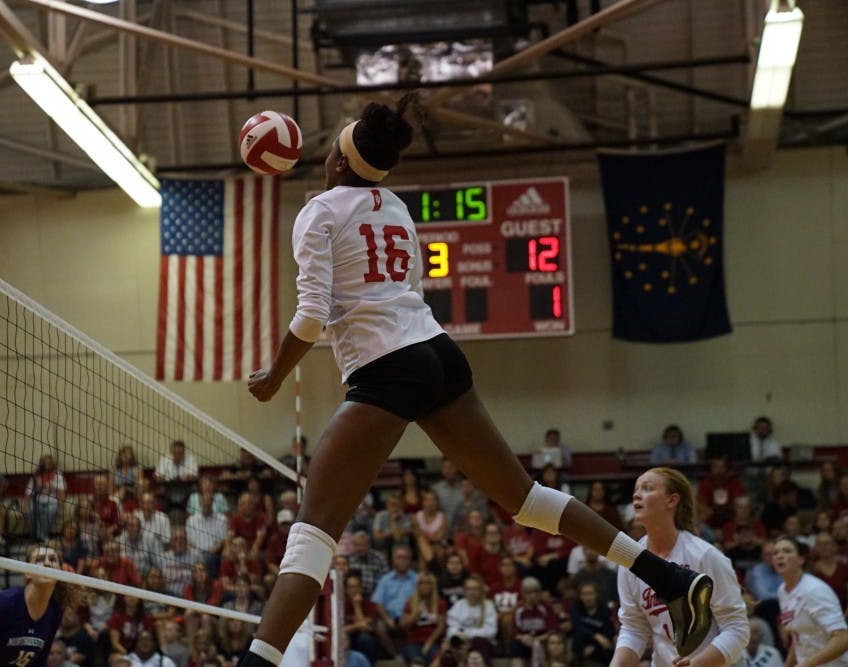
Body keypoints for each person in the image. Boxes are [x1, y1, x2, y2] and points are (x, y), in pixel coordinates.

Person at [239, 98, 714, 667]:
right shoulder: (393, 206)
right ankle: (666, 575)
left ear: (339, 163)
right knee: (527, 499)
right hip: (438, 353)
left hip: (387, 367)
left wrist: (273, 376)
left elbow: (312, 314)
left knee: (312, 532)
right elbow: (402, 290)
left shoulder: (318, 212)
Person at [611, 468, 748, 667]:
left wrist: (696, 664)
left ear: (672, 501)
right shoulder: (629, 560)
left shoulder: (704, 556)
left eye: (647, 488)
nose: (636, 494)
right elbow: (634, 628)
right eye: (636, 489)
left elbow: (737, 629)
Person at [0, 544, 80, 666]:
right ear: (27, 572)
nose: (47, 563)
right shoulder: (4, 602)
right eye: (39, 560)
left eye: (53, 559)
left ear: (60, 571)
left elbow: (39, 662)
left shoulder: (54, 612)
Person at [774, 535, 848, 667]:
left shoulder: (814, 590)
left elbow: (843, 638)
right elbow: (798, 637)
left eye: (787, 551)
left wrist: (807, 664)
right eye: (776, 552)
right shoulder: (782, 591)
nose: (780, 555)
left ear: (801, 559)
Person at [27, 454, 66, 542]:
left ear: (52, 464)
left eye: (49, 463)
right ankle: (36, 535)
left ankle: (42, 535)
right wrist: (25, 504)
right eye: (45, 463)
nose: (47, 464)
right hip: (37, 501)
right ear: (41, 464)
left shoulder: (58, 475)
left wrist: (63, 507)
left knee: (49, 511)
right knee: (29, 512)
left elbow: (62, 493)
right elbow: (28, 491)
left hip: (53, 501)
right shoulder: (36, 475)